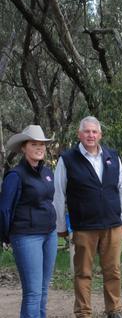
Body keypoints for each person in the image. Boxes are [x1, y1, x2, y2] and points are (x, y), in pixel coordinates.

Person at [53, 116, 122, 318]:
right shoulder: (67, 159)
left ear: (100, 135)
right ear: (79, 134)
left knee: (113, 271)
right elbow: (58, 194)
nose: (91, 135)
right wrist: (60, 225)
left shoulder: (112, 156)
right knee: (83, 273)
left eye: (94, 132)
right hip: (84, 227)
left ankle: (114, 310)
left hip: (112, 225)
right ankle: (83, 312)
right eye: (86, 131)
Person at [0, 125, 57, 318]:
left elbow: (50, 201)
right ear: (24, 148)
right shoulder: (15, 176)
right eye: (34, 144)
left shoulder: (47, 172)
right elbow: (4, 209)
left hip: (49, 234)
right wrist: (6, 236)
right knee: (32, 293)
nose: (39, 147)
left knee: (42, 290)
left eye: (42, 144)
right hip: (26, 237)